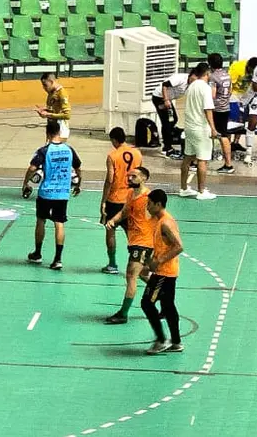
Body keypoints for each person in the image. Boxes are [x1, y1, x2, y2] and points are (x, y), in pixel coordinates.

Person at [23, 120, 82, 270]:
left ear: (47, 133)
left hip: (46, 192)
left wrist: (26, 182)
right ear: (59, 132)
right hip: (62, 193)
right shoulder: (69, 150)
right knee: (59, 223)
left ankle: (37, 253)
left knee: (41, 220)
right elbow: (78, 167)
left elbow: (32, 168)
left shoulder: (44, 151)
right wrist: (78, 184)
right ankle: (58, 259)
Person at [104, 167, 155, 324]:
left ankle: (123, 314)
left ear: (144, 178)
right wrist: (113, 220)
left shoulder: (149, 198)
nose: (130, 178)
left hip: (143, 243)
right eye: (128, 176)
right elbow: (125, 212)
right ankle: (165, 297)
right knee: (143, 274)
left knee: (131, 276)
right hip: (134, 241)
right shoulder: (130, 194)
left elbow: (160, 219)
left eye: (134, 176)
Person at [141, 189, 185, 355]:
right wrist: (150, 264)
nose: (147, 207)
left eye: (149, 204)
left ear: (158, 204)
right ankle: (176, 342)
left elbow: (178, 246)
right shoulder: (159, 221)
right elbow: (162, 246)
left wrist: (158, 261)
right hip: (166, 271)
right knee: (168, 306)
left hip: (164, 273)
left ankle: (161, 340)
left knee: (147, 303)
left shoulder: (166, 223)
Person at [99, 127, 143, 274]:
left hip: (115, 199)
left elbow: (110, 179)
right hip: (132, 198)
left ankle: (112, 264)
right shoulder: (137, 153)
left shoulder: (113, 156)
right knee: (132, 233)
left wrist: (104, 200)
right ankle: (139, 263)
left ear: (114, 140)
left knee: (110, 230)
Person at [179, 63, 218, 200]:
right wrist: (213, 128)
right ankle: (201, 192)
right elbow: (208, 109)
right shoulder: (205, 88)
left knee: (187, 158)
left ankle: (184, 188)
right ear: (207, 73)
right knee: (202, 160)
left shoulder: (191, 86)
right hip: (201, 129)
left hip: (189, 128)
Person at [151, 69, 193, 160]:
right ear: (191, 75)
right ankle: (167, 147)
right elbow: (165, 85)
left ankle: (170, 137)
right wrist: (166, 100)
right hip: (160, 98)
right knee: (166, 122)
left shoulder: (191, 84)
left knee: (174, 119)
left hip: (168, 99)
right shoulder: (180, 78)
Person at [208, 53, 235, 174]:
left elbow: (212, 95)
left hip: (216, 109)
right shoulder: (227, 75)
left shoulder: (213, 77)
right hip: (226, 107)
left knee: (222, 136)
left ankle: (228, 164)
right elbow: (230, 91)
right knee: (224, 135)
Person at [36, 73, 71, 141]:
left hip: (60, 129)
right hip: (52, 129)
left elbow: (67, 115)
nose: (44, 88)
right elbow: (54, 110)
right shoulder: (51, 93)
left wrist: (48, 114)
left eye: (45, 85)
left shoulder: (62, 93)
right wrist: (45, 111)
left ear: (51, 82)